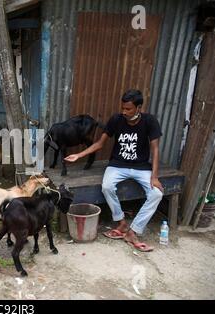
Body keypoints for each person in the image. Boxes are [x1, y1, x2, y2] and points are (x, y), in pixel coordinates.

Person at [64, 89, 163, 252]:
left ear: (138, 108)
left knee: (157, 194)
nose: (124, 111)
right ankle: (122, 222)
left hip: (141, 167)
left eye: (128, 109)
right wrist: (79, 155)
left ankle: (133, 231)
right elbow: (99, 144)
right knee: (107, 186)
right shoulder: (116, 120)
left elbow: (155, 149)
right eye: (123, 108)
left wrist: (155, 177)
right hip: (117, 165)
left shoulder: (149, 121)